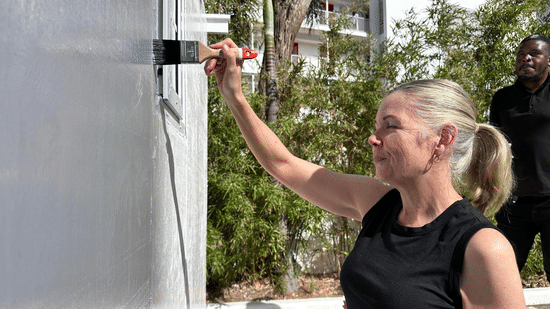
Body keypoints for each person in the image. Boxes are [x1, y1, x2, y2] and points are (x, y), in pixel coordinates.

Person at [205, 38, 525, 308]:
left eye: (390, 127)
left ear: (443, 139)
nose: (373, 139)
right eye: (376, 127)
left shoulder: (483, 248)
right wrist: (234, 96)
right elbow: (283, 165)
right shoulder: (378, 203)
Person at [490, 34, 550, 284]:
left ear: (548, 59)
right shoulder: (503, 99)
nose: (525, 58)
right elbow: (495, 143)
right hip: (514, 203)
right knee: (501, 274)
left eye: (534, 53)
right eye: (520, 55)